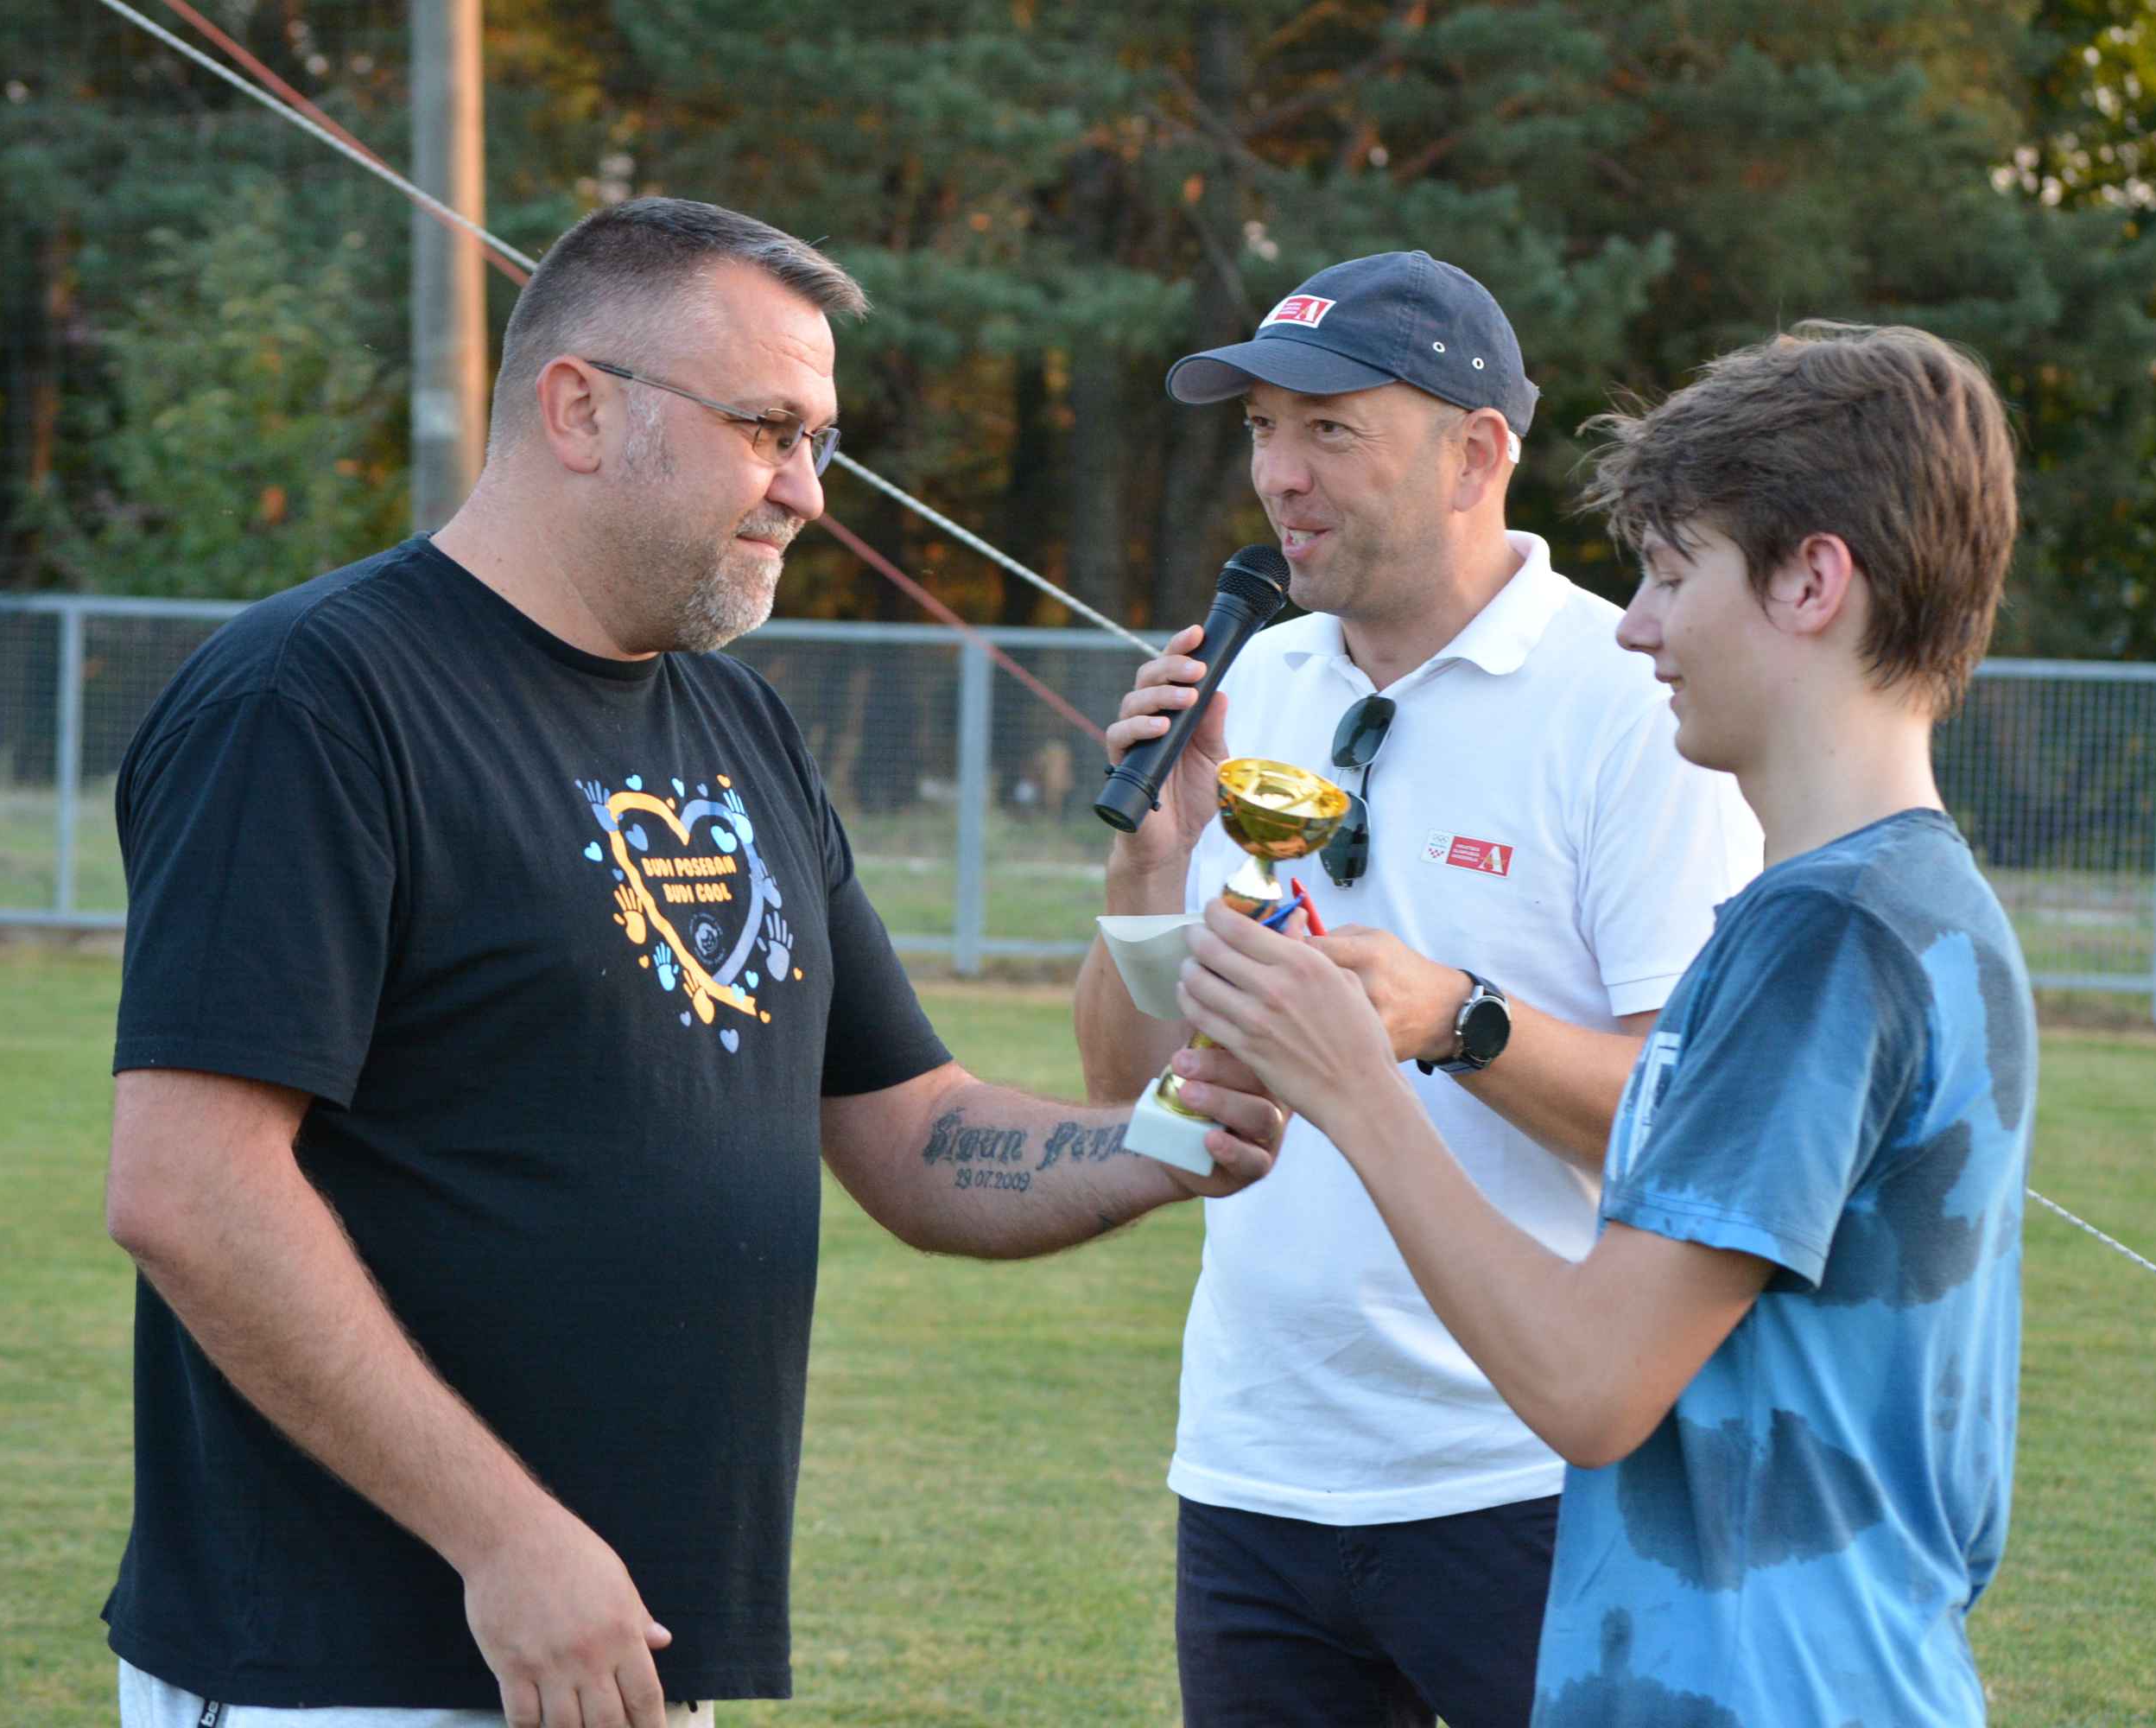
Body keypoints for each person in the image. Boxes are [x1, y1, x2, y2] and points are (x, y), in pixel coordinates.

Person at [100, 197, 1285, 1728]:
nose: (805, 491)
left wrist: (1173, 1135)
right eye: (767, 429)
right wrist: (507, 1538)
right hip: (357, 1660)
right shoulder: (312, 700)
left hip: (632, 1652)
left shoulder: (741, 731)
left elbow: (913, 1130)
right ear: (580, 407)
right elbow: (191, 1187)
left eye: (822, 442)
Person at [1173, 322, 2039, 1725]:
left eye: (1673, 575)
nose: (1634, 626)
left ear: (1814, 581)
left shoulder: (1832, 935)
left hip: (1772, 1684)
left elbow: (1589, 1386)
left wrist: (1364, 1086)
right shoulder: (1867, 906)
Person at [1072, 251, 1760, 1727]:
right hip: (1254, 1471)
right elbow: (1125, 1090)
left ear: (1477, 453)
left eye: (1330, 430)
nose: (1278, 477)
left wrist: (1456, 1022)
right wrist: (1153, 864)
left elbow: (1693, 1124)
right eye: (1260, 428)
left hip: (1526, 1476)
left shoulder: (1634, 699)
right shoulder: (1254, 677)